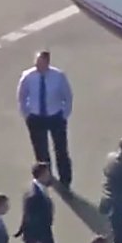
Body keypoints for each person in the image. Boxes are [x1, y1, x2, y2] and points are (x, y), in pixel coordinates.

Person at [16, 50, 74, 190]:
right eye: (36, 62)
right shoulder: (28, 76)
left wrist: (64, 115)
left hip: (55, 116)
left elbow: (67, 96)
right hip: (36, 118)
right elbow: (21, 96)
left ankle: (65, 179)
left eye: (41, 63)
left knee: (61, 150)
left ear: (47, 62)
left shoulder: (58, 76)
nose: (38, 65)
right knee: (41, 151)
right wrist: (27, 114)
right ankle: (46, 178)